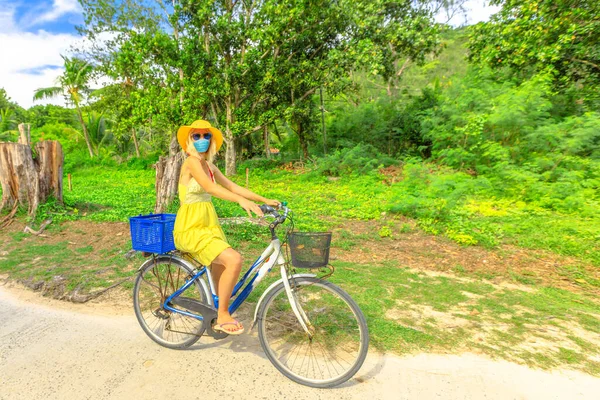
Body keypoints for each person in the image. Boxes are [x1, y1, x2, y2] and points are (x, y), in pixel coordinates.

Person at [172, 120, 279, 335]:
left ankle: (214, 310)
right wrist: (240, 201)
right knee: (234, 259)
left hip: (209, 226)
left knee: (220, 271)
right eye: (197, 136)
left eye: (206, 136)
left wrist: (263, 199)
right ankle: (222, 316)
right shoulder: (191, 162)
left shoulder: (209, 165)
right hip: (191, 227)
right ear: (189, 140)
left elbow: (231, 186)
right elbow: (210, 188)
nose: (202, 140)